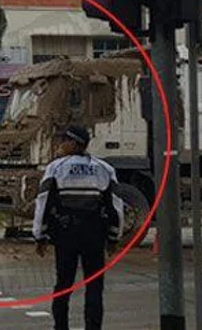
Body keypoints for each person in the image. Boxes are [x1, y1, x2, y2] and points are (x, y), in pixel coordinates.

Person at [33, 126, 123, 330]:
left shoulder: (56, 168)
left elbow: (43, 202)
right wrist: (113, 238)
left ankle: (60, 327)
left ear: (74, 143)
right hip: (94, 234)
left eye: (63, 140)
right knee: (94, 286)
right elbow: (115, 206)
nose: (60, 145)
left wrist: (40, 236)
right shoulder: (105, 169)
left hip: (66, 234)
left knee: (63, 284)